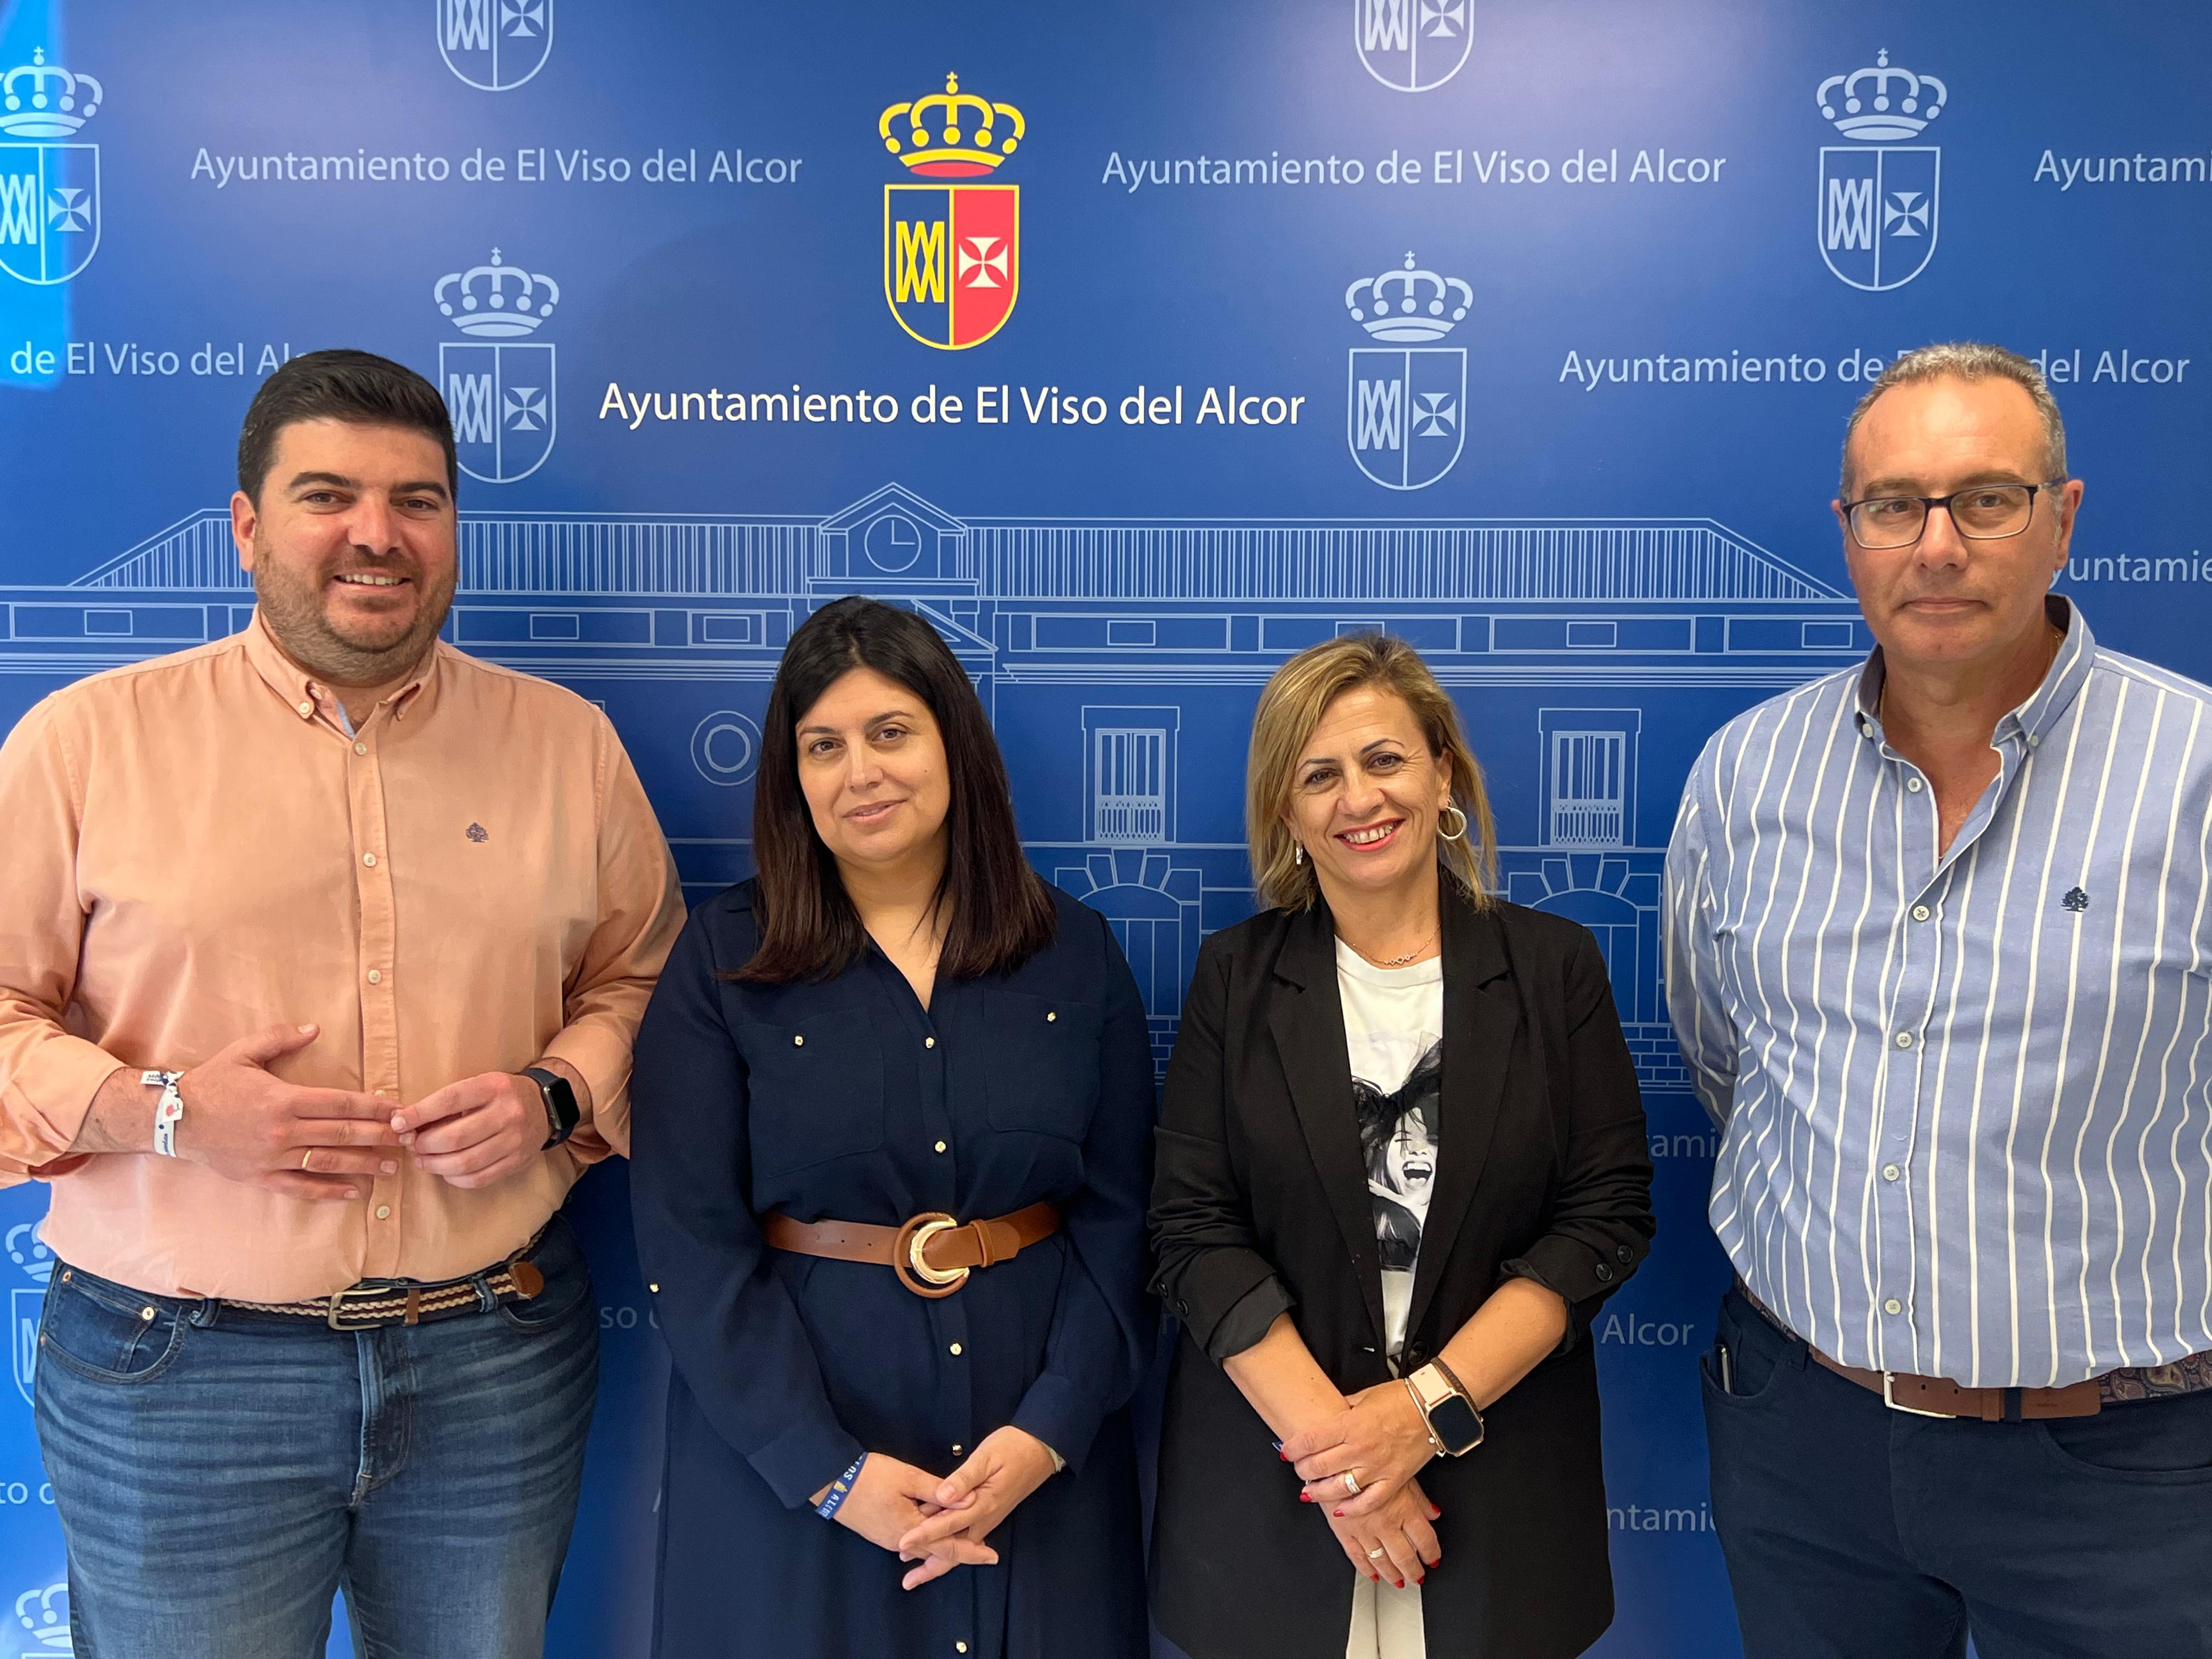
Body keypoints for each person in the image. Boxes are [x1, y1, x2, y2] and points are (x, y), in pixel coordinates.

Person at [0, 349, 686, 1656]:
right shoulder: (87, 744)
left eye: (418, 501)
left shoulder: (568, 747)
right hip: (179, 1374)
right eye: (328, 496)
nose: (378, 534)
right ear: (248, 527)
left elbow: (644, 978)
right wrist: (165, 1112)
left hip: (494, 1356)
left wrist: (555, 1098)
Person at [1666, 341, 2212, 1658]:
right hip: (1805, 1440)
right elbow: (1728, 1060)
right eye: (1895, 506)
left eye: (1986, 500)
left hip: (2128, 1473)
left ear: (2063, 519)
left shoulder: (2196, 774)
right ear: (1850, 530)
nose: (1938, 546)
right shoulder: (1744, 777)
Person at [628, 596, 1155, 1659]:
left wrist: (1052, 1428)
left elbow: (1126, 1217)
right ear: (792, 777)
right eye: (823, 746)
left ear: (954, 744)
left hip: (1036, 1476)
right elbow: (690, 1245)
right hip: (795, 1488)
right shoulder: (723, 960)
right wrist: (827, 1471)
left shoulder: (1076, 953)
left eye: (890, 733)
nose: (859, 772)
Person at [1149, 634, 1655, 1659]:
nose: (1359, 798)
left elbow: (1603, 1220)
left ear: (1443, 775)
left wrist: (1423, 1415)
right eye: (1319, 775)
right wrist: (1349, 1467)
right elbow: (1193, 1233)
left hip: (1498, 1492)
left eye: (1384, 760)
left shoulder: (1555, 966)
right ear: (1287, 813)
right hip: (1279, 1500)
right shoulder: (1234, 978)